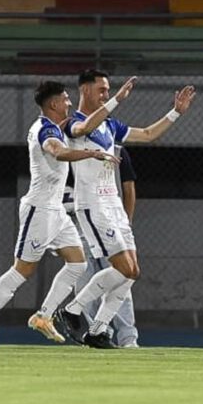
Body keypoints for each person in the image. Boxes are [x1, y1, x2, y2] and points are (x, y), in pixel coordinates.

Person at [0, 79, 133, 349]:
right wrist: (91, 153)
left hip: (57, 211)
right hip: (39, 210)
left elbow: (84, 127)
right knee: (22, 270)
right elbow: (58, 151)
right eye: (66, 98)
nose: (69, 102)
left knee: (77, 264)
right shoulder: (44, 129)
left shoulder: (57, 126)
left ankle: (43, 316)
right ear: (54, 103)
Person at [53, 69, 195, 349]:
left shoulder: (111, 126)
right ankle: (73, 309)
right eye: (101, 90)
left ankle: (97, 329)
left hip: (113, 205)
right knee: (123, 268)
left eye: (108, 90)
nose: (106, 94)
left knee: (132, 272)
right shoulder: (73, 123)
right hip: (92, 205)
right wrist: (117, 99)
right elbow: (85, 128)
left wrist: (175, 113)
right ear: (85, 90)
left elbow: (148, 134)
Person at [67, 146, 140, 348]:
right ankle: (96, 334)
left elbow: (128, 188)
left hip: (110, 224)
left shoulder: (117, 150)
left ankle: (127, 337)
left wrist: (126, 222)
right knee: (84, 281)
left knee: (124, 276)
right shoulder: (71, 151)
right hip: (80, 225)